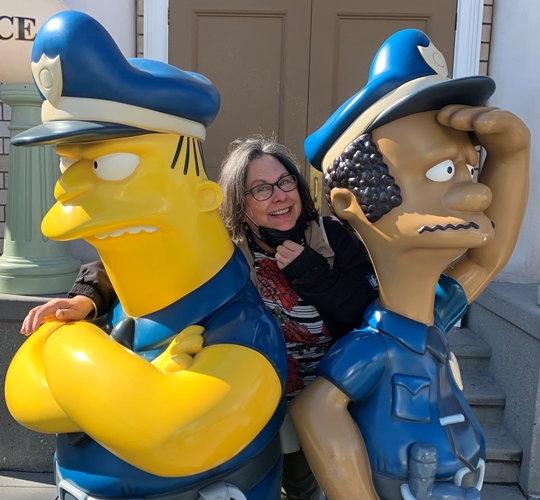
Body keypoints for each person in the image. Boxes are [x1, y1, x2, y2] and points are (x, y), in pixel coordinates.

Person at [21, 135, 379, 500]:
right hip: (241, 396)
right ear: (239, 202)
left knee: (310, 486)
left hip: (319, 396)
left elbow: (368, 311)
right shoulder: (220, 242)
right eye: (261, 189)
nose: (280, 196)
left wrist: (313, 274)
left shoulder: (331, 237)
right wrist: (86, 297)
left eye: (285, 182)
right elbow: (137, 256)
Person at [290, 29, 530, 500]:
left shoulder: (435, 315)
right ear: (350, 202)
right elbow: (315, 412)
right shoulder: (372, 348)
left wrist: (513, 154)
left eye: (469, 168)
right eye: (441, 171)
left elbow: (488, 256)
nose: (477, 192)